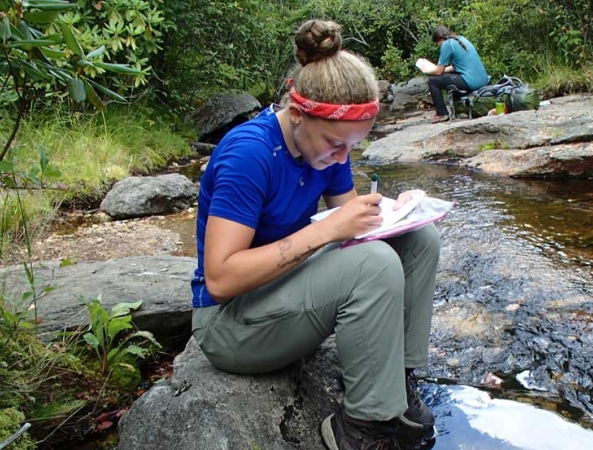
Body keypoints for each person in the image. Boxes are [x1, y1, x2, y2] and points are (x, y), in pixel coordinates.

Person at [189, 19, 441, 450]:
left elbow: (355, 225)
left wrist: (400, 210)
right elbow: (221, 278)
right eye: (335, 144)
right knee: (374, 265)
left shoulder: (325, 147)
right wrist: (324, 236)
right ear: (298, 114)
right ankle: (362, 428)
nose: (343, 157)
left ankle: (395, 383)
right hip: (230, 326)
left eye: (353, 147)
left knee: (420, 241)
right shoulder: (248, 154)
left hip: (280, 292)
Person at [421, 25, 489, 123]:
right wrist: (441, 70)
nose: (438, 45)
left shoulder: (447, 45)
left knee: (433, 81)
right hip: (483, 80)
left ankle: (441, 114)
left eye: (437, 43)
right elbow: (454, 67)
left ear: (439, 39)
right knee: (450, 77)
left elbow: (438, 71)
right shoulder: (460, 39)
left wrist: (426, 70)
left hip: (472, 82)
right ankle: (459, 108)